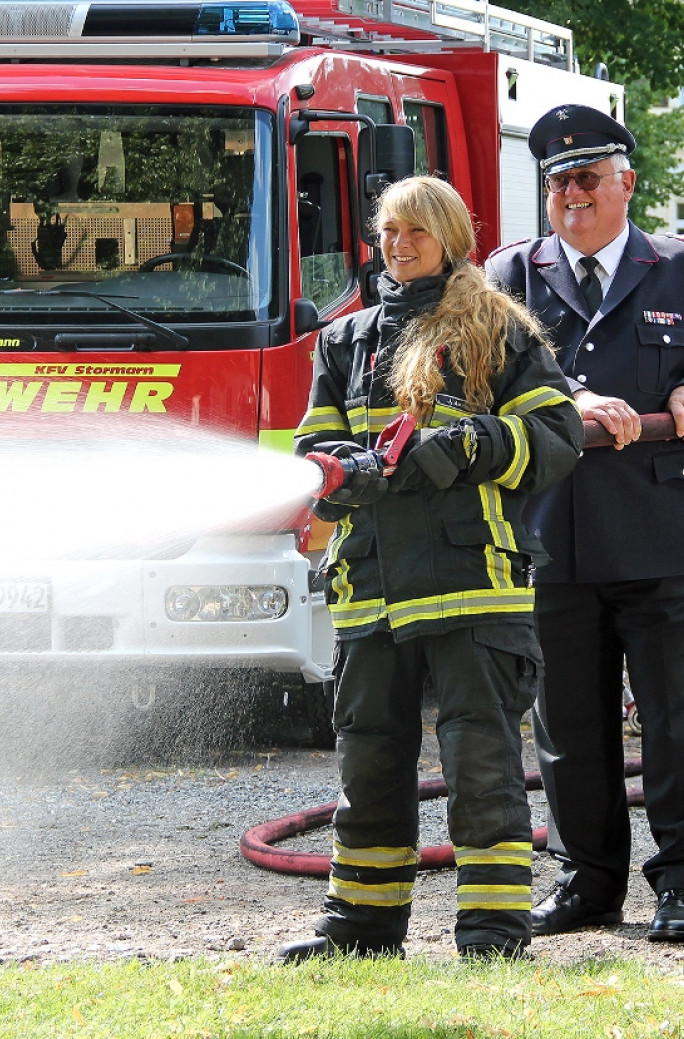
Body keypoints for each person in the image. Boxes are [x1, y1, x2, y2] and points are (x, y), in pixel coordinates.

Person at [284, 176, 584, 962]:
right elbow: (312, 449)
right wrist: (346, 469)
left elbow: (557, 437)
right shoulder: (344, 342)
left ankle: (491, 933)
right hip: (371, 589)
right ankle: (360, 927)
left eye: (414, 230)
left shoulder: (498, 329)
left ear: (449, 237)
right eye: (387, 231)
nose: (397, 244)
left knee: (479, 765)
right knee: (369, 761)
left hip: (470, 587)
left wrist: (468, 447)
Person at [486, 105, 684, 942]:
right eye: (558, 182)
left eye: (588, 177)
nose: (572, 194)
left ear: (626, 184)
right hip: (555, 529)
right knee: (568, 723)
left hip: (660, 527)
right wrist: (567, 399)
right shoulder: (511, 274)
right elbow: (485, 376)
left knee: (679, 721)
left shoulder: (682, 266)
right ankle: (587, 881)